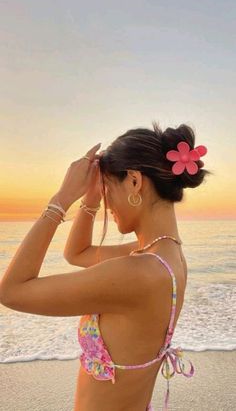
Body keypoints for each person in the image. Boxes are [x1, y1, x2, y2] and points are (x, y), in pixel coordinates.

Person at [64, 122, 211, 410]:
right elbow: (77, 253)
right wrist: (90, 200)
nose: (107, 203)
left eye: (107, 189)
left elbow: (11, 290)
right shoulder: (162, 256)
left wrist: (61, 200)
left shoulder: (142, 270)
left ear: (134, 181)